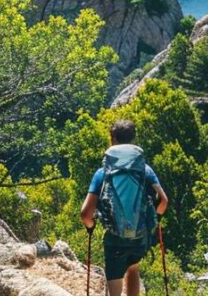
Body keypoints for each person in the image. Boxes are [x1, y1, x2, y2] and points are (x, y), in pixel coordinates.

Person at [80, 119, 169, 296]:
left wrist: (91, 226)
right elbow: (164, 201)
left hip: (114, 237)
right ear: (133, 139)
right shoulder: (145, 170)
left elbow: (85, 214)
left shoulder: (103, 173)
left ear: (112, 139)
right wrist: (154, 219)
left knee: (114, 281)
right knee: (133, 268)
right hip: (139, 234)